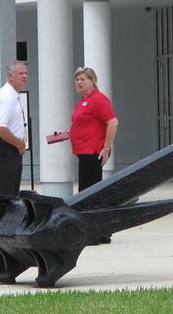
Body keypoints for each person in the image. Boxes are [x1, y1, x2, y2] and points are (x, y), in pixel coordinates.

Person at [70, 67, 119, 242]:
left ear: (92, 81)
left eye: (83, 79)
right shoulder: (83, 101)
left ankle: (96, 233)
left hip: (92, 152)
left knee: (89, 194)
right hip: (83, 152)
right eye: (77, 79)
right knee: (89, 193)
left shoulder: (98, 100)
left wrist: (106, 148)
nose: (79, 82)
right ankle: (100, 232)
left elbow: (112, 122)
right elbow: (85, 125)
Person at [0, 61, 28, 196]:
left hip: (11, 149)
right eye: (20, 73)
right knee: (5, 195)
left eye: (26, 73)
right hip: (4, 149)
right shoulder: (6, 96)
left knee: (11, 194)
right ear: (11, 76)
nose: (24, 76)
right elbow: (0, 128)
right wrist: (19, 144)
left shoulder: (12, 95)